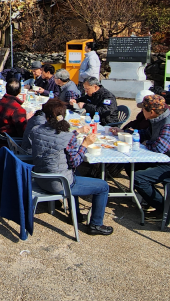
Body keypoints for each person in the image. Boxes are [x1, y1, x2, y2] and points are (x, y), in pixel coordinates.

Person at [29, 98, 113, 235]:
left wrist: (76, 132)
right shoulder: (67, 136)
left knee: (76, 174)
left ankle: (75, 214)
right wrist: (85, 144)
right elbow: (75, 162)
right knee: (103, 186)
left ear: (47, 116)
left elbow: (56, 139)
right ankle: (96, 224)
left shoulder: (36, 130)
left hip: (40, 177)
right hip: (59, 183)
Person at [124, 95, 170, 221]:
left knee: (139, 178)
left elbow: (159, 148)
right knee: (130, 165)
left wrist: (145, 143)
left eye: (143, 110)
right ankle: (149, 199)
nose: (141, 112)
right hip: (167, 160)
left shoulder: (168, 124)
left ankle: (165, 209)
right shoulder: (158, 118)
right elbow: (149, 134)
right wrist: (132, 132)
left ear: (151, 111)